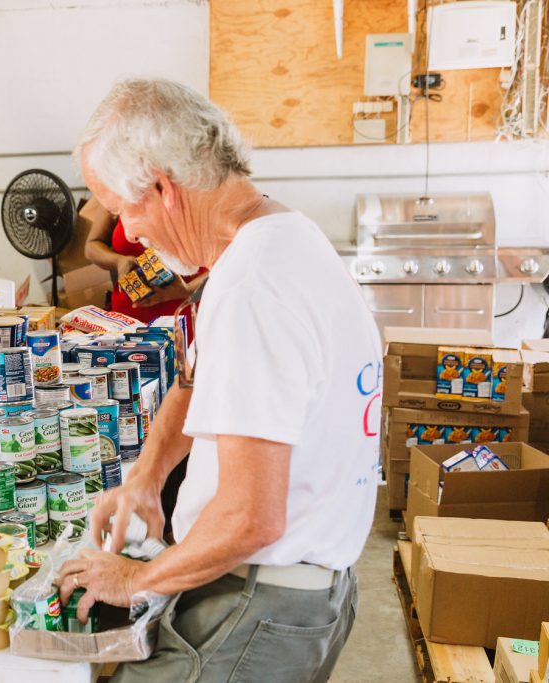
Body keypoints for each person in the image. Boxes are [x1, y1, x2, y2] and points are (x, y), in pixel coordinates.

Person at [58, 78, 382, 683]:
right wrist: (147, 476)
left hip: (257, 599)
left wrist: (137, 579)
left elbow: (251, 518)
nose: (133, 233)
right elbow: (197, 377)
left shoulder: (254, 286)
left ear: (164, 188)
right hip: (301, 592)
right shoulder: (283, 236)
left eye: (126, 210)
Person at [84, 197, 207, 322]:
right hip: (128, 314)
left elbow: (220, 264)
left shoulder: (196, 192)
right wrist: (118, 261)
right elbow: (92, 245)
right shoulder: (116, 191)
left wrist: (187, 290)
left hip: (185, 311)